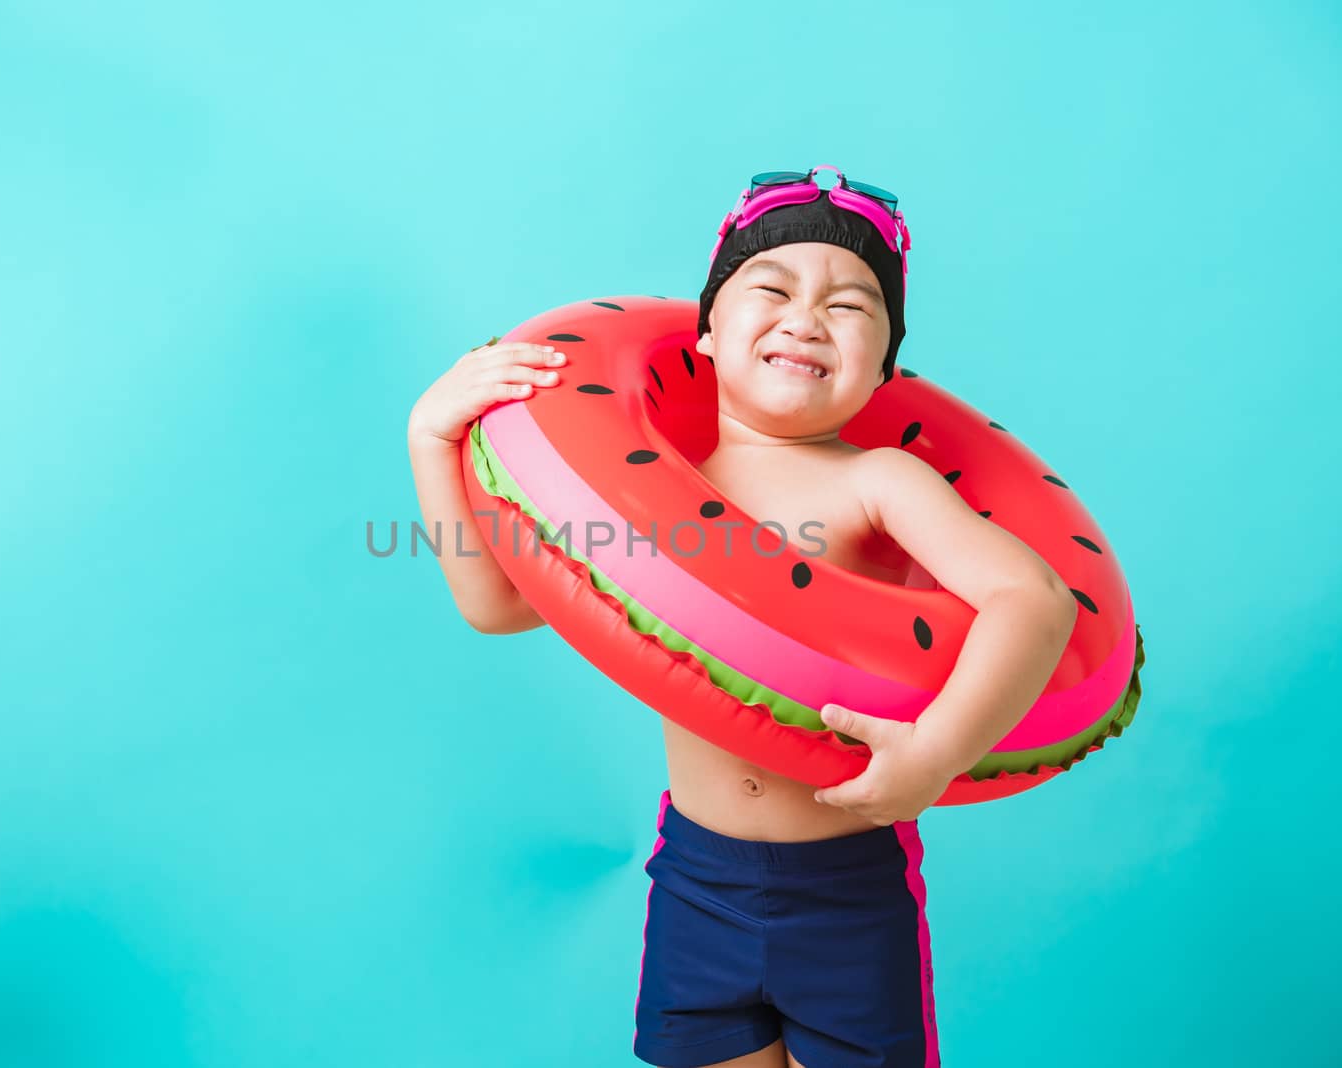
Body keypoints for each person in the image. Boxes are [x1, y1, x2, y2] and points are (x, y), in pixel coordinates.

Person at [406, 166, 1077, 1068]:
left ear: (884, 369)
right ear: (708, 333)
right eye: (772, 288)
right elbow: (496, 606)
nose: (806, 318)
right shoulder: (655, 492)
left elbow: (1030, 599)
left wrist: (935, 756)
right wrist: (432, 437)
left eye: (852, 307)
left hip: (845, 887)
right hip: (697, 878)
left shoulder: (877, 483)